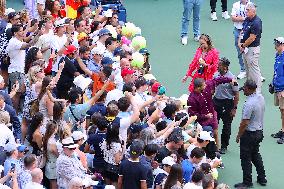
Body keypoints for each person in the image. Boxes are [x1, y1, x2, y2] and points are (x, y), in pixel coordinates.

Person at [235, 80, 267, 188]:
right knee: (255, 155)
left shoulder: (249, 104)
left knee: (245, 158)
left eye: (245, 88)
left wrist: (239, 135)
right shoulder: (260, 97)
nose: (243, 90)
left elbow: (245, 122)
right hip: (259, 132)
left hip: (249, 134)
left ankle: (247, 182)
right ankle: (262, 178)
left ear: (249, 89)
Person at [187, 77, 234, 148]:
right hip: (202, 121)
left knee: (215, 133)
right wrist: (205, 116)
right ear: (198, 87)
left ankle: (217, 149)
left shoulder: (207, 85)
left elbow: (216, 80)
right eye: (204, 85)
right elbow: (193, 115)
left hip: (212, 115)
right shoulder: (191, 99)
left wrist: (230, 79)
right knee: (206, 137)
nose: (206, 86)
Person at [213, 58, 239, 154]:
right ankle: (213, 144)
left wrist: (234, 108)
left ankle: (224, 146)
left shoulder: (232, 78)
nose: (217, 66)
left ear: (225, 67)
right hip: (216, 102)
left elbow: (236, 94)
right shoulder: (215, 75)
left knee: (226, 126)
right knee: (213, 124)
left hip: (227, 104)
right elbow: (213, 88)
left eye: (219, 65)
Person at [238, 2, 263, 93]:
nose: (246, 11)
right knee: (248, 69)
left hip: (252, 49)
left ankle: (257, 90)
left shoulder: (256, 22)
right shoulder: (247, 19)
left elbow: (252, 38)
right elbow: (242, 31)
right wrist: (239, 43)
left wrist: (243, 45)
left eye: (248, 10)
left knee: (254, 70)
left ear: (253, 11)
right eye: (246, 9)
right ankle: (248, 88)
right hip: (245, 49)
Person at [231, 0, 249, 79]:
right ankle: (243, 70)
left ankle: (253, 71)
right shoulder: (235, 5)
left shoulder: (251, 5)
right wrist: (244, 18)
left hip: (248, 31)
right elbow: (233, 18)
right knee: (240, 51)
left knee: (251, 51)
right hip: (237, 30)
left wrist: (239, 18)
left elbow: (251, 18)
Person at [271, 37, 284, 144]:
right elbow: (276, 71)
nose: (276, 45)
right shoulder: (277, 55)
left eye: (278, 44)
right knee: (282, 110)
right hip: (278, 87)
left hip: (283, 89)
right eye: (276, 43)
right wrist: (273, 83)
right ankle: (282, 130)